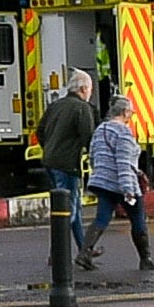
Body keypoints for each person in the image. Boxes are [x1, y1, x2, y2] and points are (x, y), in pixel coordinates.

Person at [88, 81, 154, 272]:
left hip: (102, 181)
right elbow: (123, 163)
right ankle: (146, 259)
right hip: (121, 183)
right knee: (138, 218)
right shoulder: (123, 132)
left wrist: (101, 174)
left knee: (101, 217)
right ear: (125, 113)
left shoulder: (100, 130)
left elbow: (93, 156)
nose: (131, 116)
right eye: (131, 113)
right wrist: (128, 190)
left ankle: (84, 253)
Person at [35, 71, 96, 273]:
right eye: (90, 89)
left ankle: (84, 250)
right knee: (69, 210)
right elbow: (88, 137)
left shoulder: (56, 105)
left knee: (73, 209)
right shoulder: (82, 108)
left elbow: (40, 130)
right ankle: (58, 252)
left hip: (50, 162)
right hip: (68, 164)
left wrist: (49, 148)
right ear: (83, 89)